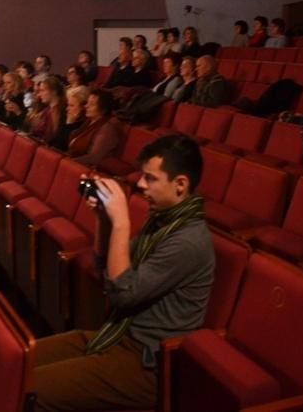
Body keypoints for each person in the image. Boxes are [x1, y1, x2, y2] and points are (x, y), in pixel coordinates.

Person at [32, 134, 214, 411]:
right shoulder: (163, 222)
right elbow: (106, 268)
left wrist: (121, 223)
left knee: (30, 389)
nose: (140, 184)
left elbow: (123, 292)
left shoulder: (188, 240)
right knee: (18, 360)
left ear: (180, 185)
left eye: (150, 178)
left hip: (146, 362)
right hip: (118, 336)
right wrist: (104, 221)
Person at [68, 89, 122, 166]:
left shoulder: (107, 129)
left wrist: (68, 162)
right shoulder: (88, 121)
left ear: (103, 109)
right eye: (87, 103)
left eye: (92, 104)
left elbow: (94, 158)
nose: (86, 106)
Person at [25, 76, 68, 147]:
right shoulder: (45, 109)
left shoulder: (62, 112)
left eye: (42, 90)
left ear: (54, 91)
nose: (39, 94)